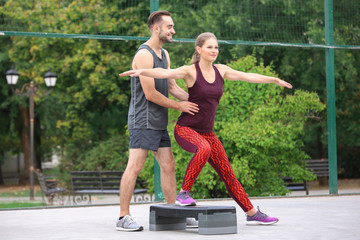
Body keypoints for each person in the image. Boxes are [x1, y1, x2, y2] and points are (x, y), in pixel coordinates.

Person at [120, 32, 293, 225]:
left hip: (207, 133)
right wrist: (141, 72)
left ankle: (252, 213)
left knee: (228, 173)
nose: (214, 51)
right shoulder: (190, 71)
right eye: (210, 47)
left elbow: (247, 76)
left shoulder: (222, 70)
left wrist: (273, 80)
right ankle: (184, 194)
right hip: (186, 129)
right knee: (203, 148)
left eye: (216, 47)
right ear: (199, 49)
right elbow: (166, 73)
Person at [116, 10, 199, 232]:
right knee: (135, 166)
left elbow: (172, 86)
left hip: (158, 121)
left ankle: (174, 212)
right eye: (169, 27)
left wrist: (195, 101)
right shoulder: (144, 55)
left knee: (168, 165)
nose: (173, 30)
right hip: (143, 120)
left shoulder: (164, 54)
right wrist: (180, 106)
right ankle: (123, 216)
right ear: (156, 28)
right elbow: (151, 94)